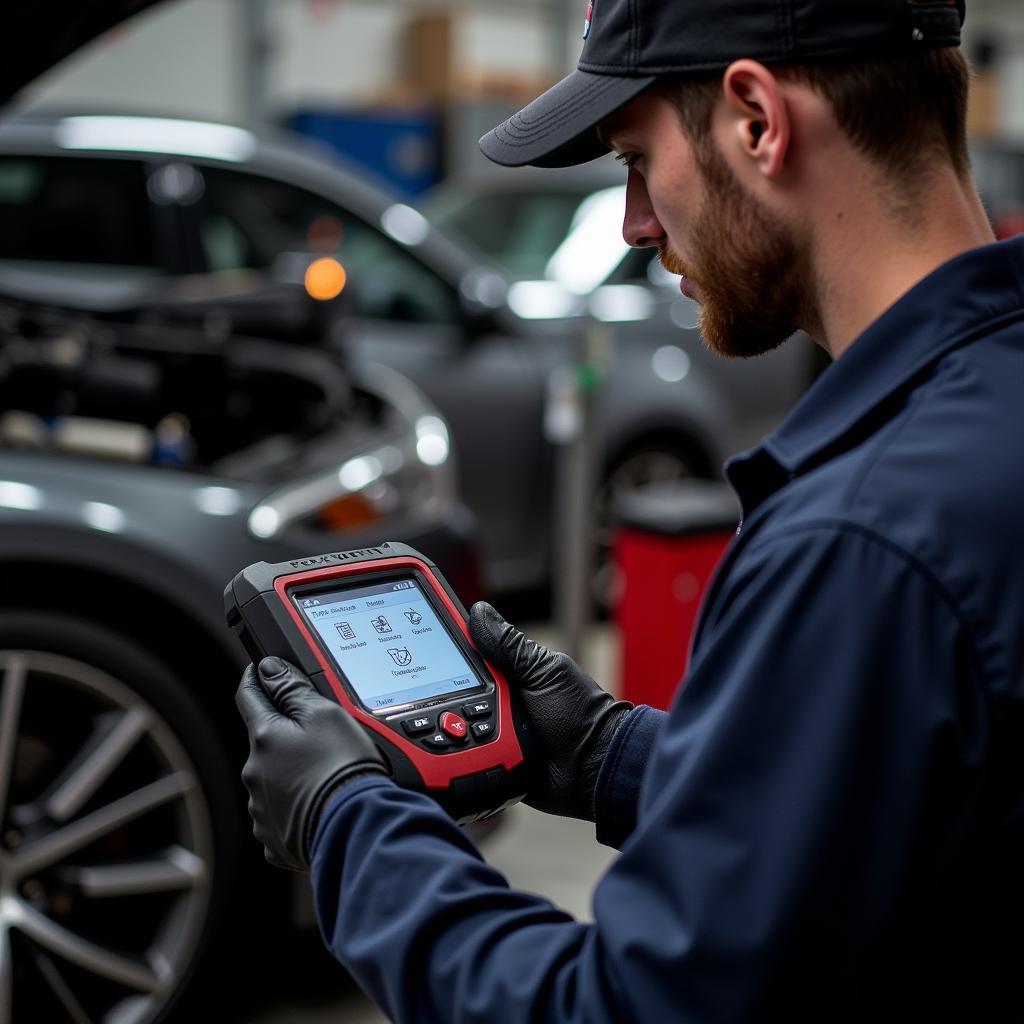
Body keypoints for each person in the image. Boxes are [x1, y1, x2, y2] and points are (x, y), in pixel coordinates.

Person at [235, 0, 1024, 1019]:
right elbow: (919, 811)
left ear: (755, 119)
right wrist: (612, 753)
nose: (634, 224)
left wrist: (349, 822)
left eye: (636, 159)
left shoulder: (859, 538)